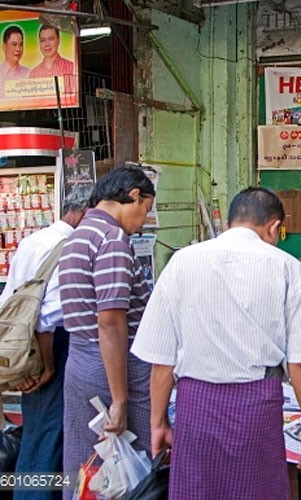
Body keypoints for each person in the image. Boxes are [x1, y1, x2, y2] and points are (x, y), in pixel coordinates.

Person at [131, 187, 301, 500]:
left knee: (196, 492)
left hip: (195, 403)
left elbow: (162, 360)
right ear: (274, 227)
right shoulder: (288, 268)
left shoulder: (181, 262)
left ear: (230, 223)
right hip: (256, 404)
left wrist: (158, 422)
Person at [58, 166, 155, 494]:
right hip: (110, 367)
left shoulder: (79, 235)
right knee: (123, 467)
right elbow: (111, 322)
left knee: (87, 460)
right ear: (133, 196)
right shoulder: (111, 238)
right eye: (145, 210)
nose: (142, 222)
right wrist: (120, 400)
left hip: (82, 362)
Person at [0, 187, 92, 500]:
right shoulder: (70, 246)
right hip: (52, 345)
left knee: (37, 432)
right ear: (83, 212)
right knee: (52, 435)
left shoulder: (32, 241)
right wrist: (48, 363)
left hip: (25, 345)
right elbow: (48, 316)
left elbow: (10, 296)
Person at [28, 25, 75, 95]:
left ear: (59, 40)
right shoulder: (34, 74)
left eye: (51, 39)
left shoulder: (71, 67)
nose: (47, 44)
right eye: (43, 40)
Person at [0, 25, 30, 98]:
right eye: (14, 44)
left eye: (21, 45)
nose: (18, 49)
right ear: (4, 46)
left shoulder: (29, 73)